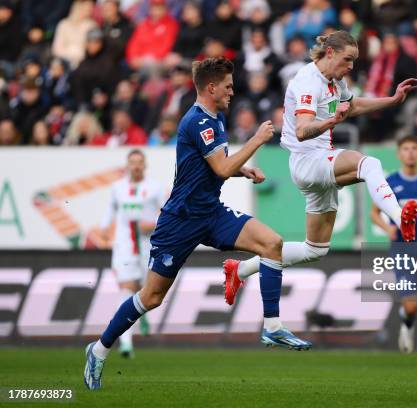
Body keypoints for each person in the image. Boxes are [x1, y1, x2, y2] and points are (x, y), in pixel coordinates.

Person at [84, 57, 311, 391]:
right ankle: (100, 349)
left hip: (211, 214)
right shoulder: (198, 121)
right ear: (211, 87)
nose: (233, 92)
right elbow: (219, 168)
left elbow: (214, 166)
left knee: (272, 243)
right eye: (229, 86)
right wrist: (257, 140)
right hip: (180, 222)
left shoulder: (214, 118)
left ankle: (272, 326)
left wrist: (242, 169)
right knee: (151, 297)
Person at [221, 30, 417, 307]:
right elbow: (302, 131)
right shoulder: (307, 82)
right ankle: (400, 220)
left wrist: (392, 100)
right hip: (307, 160)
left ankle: (239, 270)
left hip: (319, 162)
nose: (351, 66)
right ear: (330, 53)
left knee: (315, 249)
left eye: (354, 61)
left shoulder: (336, 82)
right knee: (369, 164)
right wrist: (330, 122)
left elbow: (352, 106)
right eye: (347, 59)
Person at [370, 135, 417, 368]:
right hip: (402, 249)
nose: (410, 152)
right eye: (405, 149)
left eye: (414, 148)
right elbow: (374, 213)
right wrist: (386, 227)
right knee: (411, 306)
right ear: (399, 153)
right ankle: (407, 324)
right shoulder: (389, 182)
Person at [100, 149, 164, 358]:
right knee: (126, 287)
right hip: (125, 245)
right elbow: (110, 211)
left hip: (147, 245)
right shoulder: (117, 188)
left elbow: (166, 216)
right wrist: (104, 228)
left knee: (146, 290)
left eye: (139, 162)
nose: (136, 166)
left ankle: (141, 317)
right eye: (132, 162)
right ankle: (126, 342)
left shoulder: (155, 188)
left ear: (144, 165)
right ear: (127, 165)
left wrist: (152, 225)